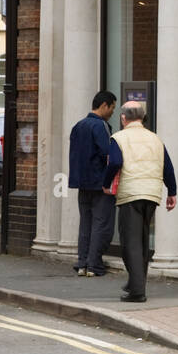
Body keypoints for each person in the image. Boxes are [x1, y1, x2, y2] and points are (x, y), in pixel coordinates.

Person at [102, 100, 176, 303]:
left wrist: (105, 183)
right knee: (142, 240)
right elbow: (167, 166)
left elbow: (115, 162)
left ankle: (137, 291)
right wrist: (172, 192)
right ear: (142, 118)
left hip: (131, 193)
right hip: (152, 194)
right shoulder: (155, 139)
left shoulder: (118, 138)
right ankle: (136, 282)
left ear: (123, 118)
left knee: (130, 242)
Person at [68, 91, 117, 276]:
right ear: (104, 105)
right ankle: (94, 265)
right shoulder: (101, 126)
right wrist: (109, 180)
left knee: (85, 224)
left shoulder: (78, 126)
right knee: (101, 224)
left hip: (81, 183)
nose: (113, 111)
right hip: (100, 183)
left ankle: (82, 263)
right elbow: (108, 155)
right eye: (112, 107)